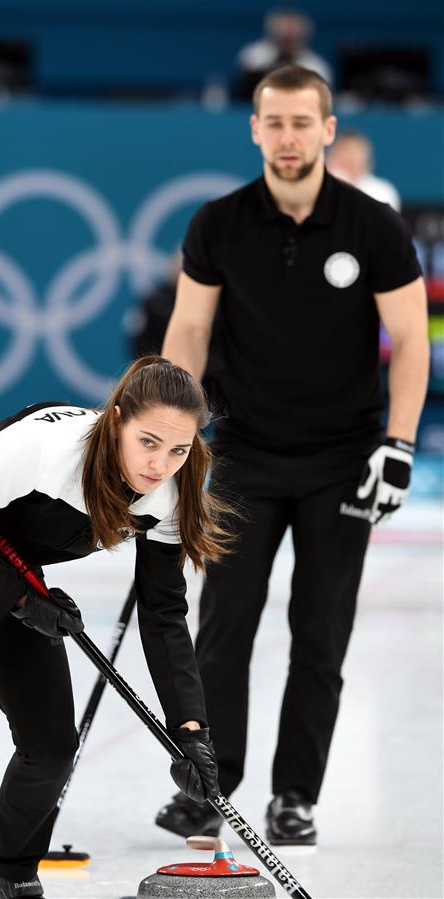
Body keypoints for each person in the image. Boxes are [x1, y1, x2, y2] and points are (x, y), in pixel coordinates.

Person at [155, 65, 429, 846]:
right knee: (222, 625)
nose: (286, 138)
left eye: (301, 123)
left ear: (328, 129)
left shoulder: (372, 225)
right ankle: (207, 786)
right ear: (253, 129)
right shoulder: (218, 222)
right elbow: (190, 333)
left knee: (320, 632)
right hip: (243, 450)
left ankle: (294, 795)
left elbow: (409, 340)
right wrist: (171, 437)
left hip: (342, 459)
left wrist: (399, 444)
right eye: (272, 123)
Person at [0, 356, 229, 899]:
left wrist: (191, 729)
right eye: (148, 442)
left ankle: (4, 864)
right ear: (117, 418)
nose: (160, 464)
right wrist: (18, 599)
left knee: (52, 741)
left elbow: (164, 613)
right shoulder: (48, 450)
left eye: (178, 449)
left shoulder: (170, 496)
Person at [232, 9, 332, 101]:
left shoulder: (316, 66)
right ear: (272, 34)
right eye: (284, 38)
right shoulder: (253, 56)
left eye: (293, 38)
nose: (288, 42)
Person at [327, 130, 402, 210]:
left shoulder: (383, 191)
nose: (350, 158)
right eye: (343, 151)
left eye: (355, 152)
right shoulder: (323, 188)